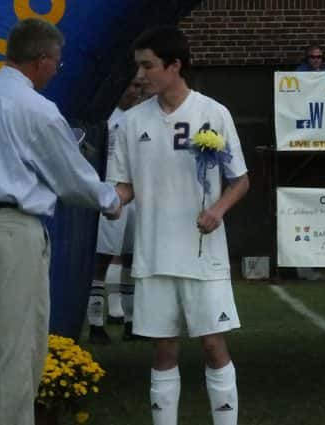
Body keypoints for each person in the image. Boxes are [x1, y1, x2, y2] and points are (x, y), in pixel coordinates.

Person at [0, 18, 124, 425]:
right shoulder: (38, 109)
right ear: (41, 60)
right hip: (12, 228)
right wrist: (111, 199)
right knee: (17, 344)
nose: (58, 68)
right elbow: (71, 177)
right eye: (56, 61)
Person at [109, 26, 249, 425]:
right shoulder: (129, 124)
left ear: (174, 65)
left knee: (212, 345)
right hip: (153, 255)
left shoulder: (213, 113)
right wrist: (107, 202)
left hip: (203, 257)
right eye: (138, 66)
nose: (140, 75)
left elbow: (241, 179)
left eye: (148, 65)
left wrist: (218, 209)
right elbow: (122, 188)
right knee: (163, 351)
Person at [88, 77, 143, 344]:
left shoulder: (144, 117)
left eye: (136, 86)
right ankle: (96, 323)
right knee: (103, 257)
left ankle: (132, 323)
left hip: (139, 196)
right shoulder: (106, 119)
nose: (133, 91)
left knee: (133, 259)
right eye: (129, 85)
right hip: (112, 192)